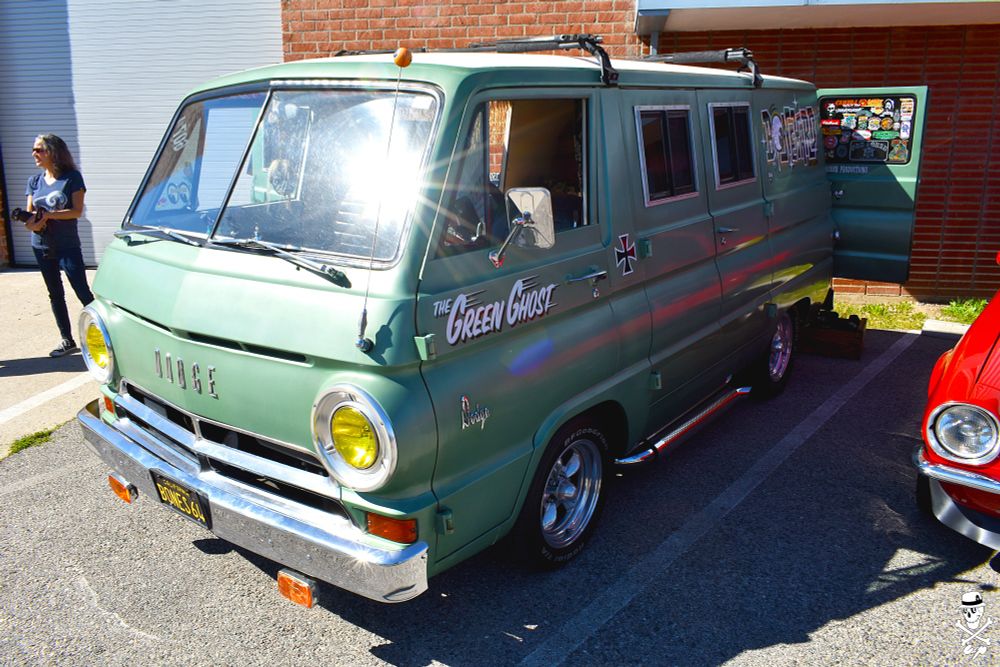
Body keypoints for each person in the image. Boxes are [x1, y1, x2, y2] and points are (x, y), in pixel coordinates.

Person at [24, 134, 94, 357]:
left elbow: (76, 211)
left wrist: (49, 216)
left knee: (82, 291)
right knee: (55, 294)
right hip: (41, 245)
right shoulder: (34, 181)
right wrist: (32, 224)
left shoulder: (72, 178)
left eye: (39, 150)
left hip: (67, 245)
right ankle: (67, 339)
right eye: (34, 150)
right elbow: (31, 215)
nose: (34, 154)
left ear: (53, 152)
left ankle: (103, 335)